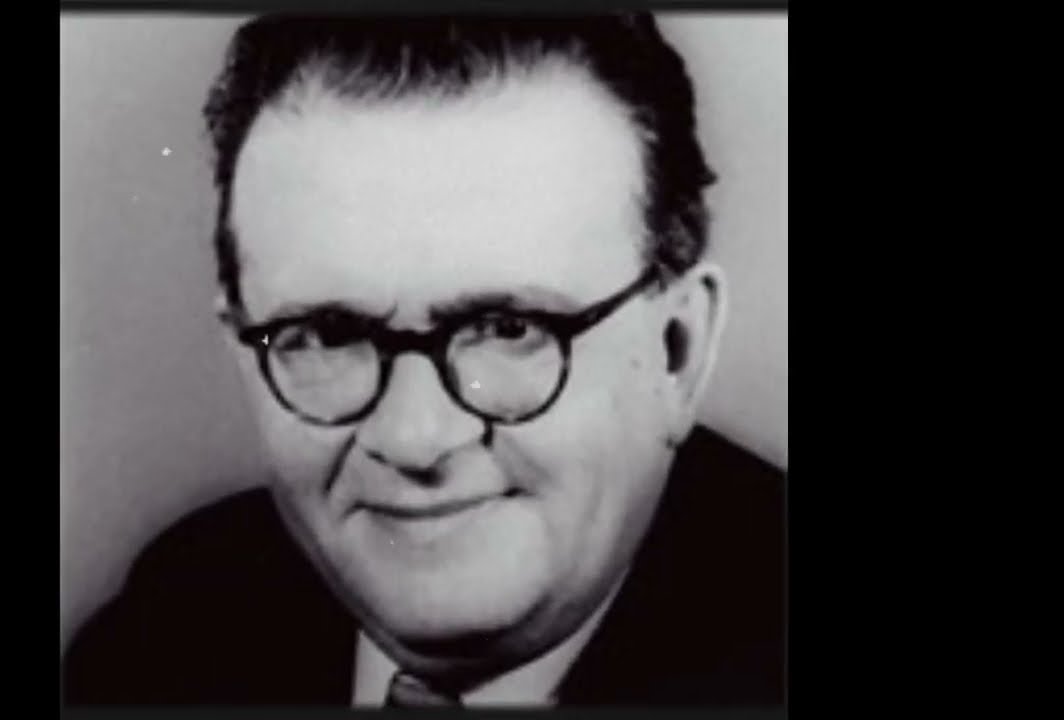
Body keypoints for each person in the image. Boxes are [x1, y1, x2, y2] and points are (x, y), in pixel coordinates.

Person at [63, 12, 785, 707]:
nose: (414, 438)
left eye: (508, 329)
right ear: (245, 351)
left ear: (677, 351)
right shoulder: (168, 637)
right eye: (328, 334)